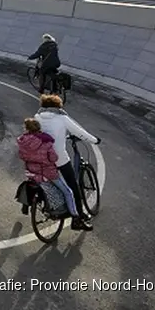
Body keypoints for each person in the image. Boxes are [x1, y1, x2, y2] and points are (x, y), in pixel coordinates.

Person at [34, 94, 101, 231]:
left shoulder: (37, 117)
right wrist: (95, 140)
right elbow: (80, 133)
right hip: (58, 158)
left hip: (40, 157)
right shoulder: (62, 118)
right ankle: (77, 219)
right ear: (58, 106)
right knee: (73, 187)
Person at [16, 117, 83, 227]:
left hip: (31, 171)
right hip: (48, 173)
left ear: (27, 129)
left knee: (32, 184)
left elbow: (21, 156)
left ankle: (26, 204)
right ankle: (76, 217)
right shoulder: (46, 141)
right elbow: (54, 158)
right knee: (68, 192)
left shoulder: (23, 142)